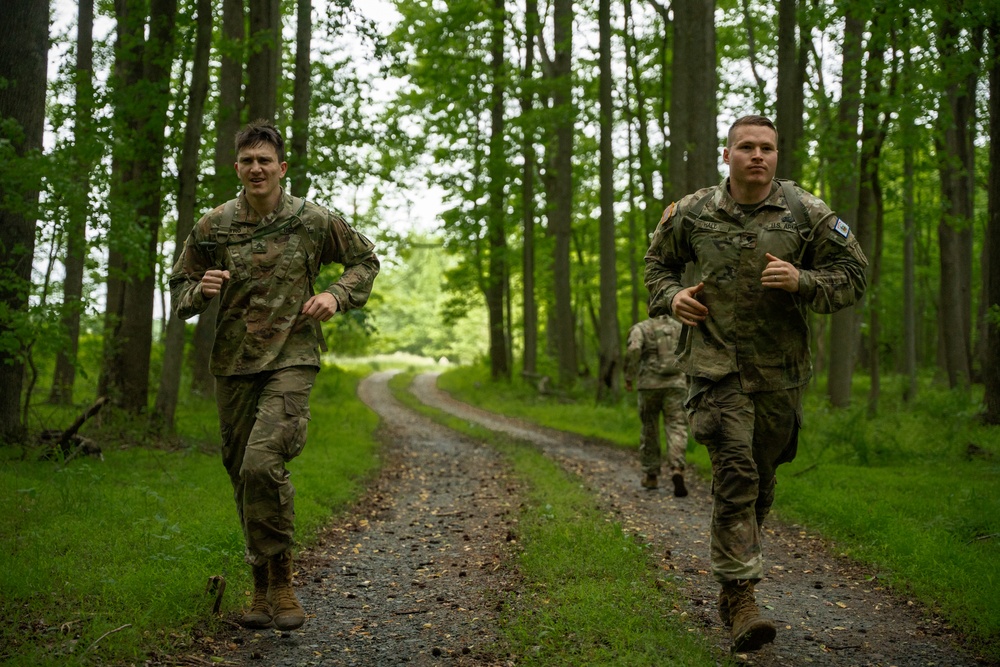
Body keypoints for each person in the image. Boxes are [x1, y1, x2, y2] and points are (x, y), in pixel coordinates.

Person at [643, 115, 867, 652]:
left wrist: (804, 280)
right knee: (737, 474)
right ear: (728, 156)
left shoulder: (804, 211)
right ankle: (741, 596)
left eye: (767, 147)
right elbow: (656, 265)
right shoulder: (693, 211)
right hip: (715, 369)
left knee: (762, 480)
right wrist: (672, 297)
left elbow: (855, 275)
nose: (757, 156)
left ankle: (734, 580)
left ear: (777, 155)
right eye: (746, 147)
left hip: (780, 374)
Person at [169, 120, 380, 631]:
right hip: (234, 366)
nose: (256, 168)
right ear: (237, 167)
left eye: (265, 160)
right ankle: (261, 588)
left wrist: (335, 295)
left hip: (292, 358)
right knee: (242, 477)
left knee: (262, 464)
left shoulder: (312, 220)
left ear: (282, 168)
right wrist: (202, 290)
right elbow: (180, 290)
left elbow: (365, 260)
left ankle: (282, 583)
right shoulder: (214, 226)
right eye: (247, 161)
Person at [623, 314, 689, 497]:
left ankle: (651, 475)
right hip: (676, 384)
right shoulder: (680, 327)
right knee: (677, 426)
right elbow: (690, 352)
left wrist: (629, 376)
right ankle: (677, 469)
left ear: (648, 306)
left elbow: (634, 349)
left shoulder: (642, 327)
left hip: (649, 385)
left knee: (649, 427)